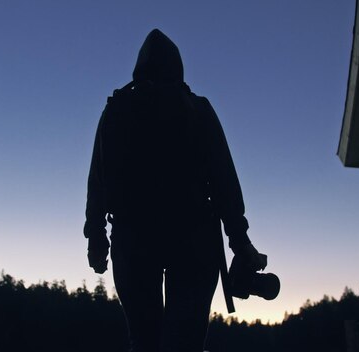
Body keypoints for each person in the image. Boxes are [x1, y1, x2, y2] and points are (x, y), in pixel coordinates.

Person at [84, 29, 262, 352]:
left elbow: (98, 183)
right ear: (177, 68)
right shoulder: (197, 110)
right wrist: (242, 243)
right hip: (194, 243)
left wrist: (96, 239)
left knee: (145, 342)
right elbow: (225, 185)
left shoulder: (117, 110)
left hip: (133, 242)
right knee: (185, 344)